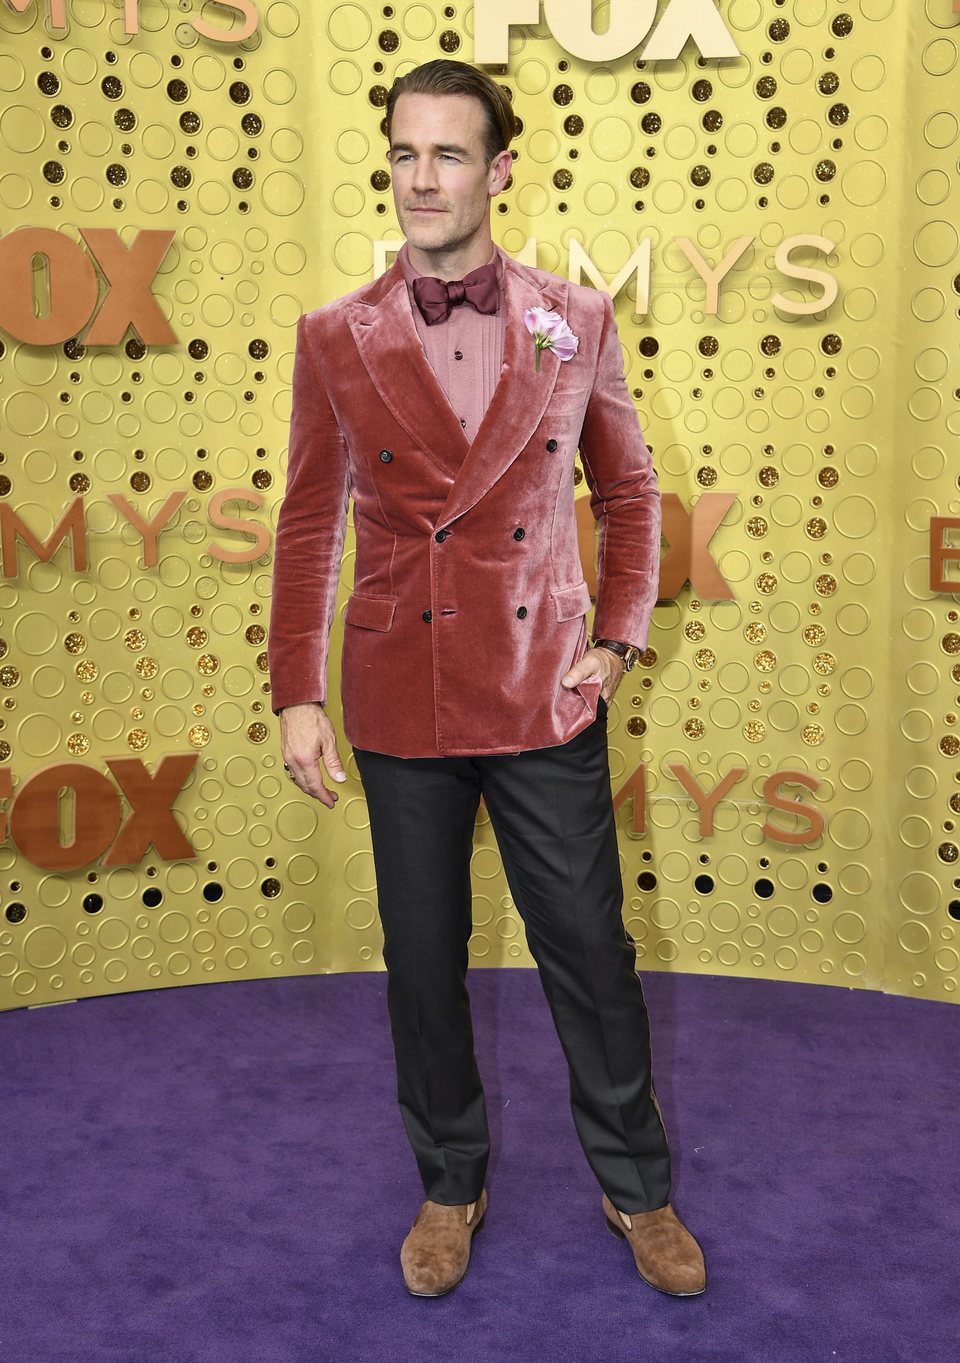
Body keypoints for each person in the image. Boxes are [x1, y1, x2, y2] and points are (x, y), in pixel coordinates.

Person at [268, 57, 706, 1300]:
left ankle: (639, 1187)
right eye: (406, 154)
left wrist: (616, 639)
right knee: (422, 958)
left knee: (589, 948)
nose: (423, 178)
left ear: (500, 169)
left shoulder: (577, 319)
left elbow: (627, 493)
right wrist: (296, 690)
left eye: (449, 155)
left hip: (539, 689)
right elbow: (308, 524)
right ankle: (448, 1178)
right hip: (399, 694)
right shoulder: (333, 337)